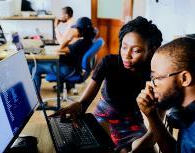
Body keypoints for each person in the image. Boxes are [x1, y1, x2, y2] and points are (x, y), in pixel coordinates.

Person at [53, 16, 163, 153]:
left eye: (136, 50)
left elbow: (155, 131)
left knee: (148, 150)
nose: (126, 55)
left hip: (133, 122)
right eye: (124, 47)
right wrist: (78, 106)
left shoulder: (155, 76)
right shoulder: (108, 63)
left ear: (151, 50)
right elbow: (84, 102)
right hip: (104, 118)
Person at [136, 37, 195, 153]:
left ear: (184, 78)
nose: (150, 85)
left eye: (156, 78)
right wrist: (152, 115)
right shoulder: (187, 112)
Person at [31, 17, 96, 92]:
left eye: (76, 29)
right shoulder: (88, 41)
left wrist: (69, 37)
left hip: (69, 70)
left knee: (34, 68)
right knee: (35, 65)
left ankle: (37, 99)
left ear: (80, 30)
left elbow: (60, 49)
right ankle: (35, 95)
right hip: (73, 67)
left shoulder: (81, 43)